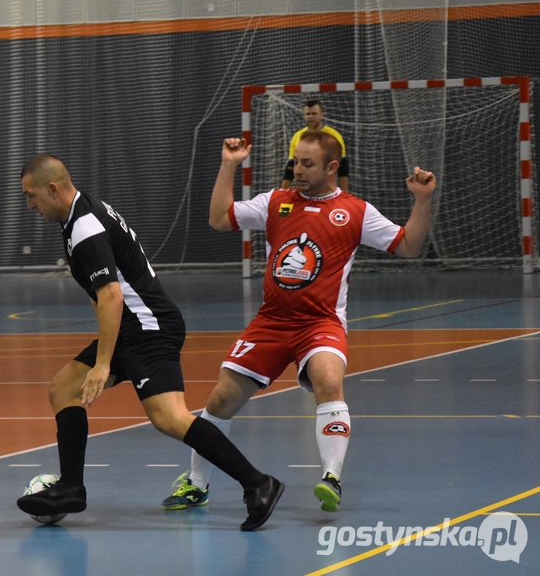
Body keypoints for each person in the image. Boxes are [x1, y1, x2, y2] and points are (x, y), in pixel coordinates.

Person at [161, 131, 434, 513]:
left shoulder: (355, 211)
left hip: (320, 323)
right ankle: (196, 483)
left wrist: (422, 200)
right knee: (220, 400)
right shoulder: (276, 202)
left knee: (328, 381)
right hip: (271, 322)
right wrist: (228, 165)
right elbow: (219, 218)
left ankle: (331, 478)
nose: (298, 170)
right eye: (295, 162)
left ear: (332, 167)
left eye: (307, 163)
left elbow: (408, 246)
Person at [16, 154, 284, 531]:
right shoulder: (79, 214)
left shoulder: (84, 226)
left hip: (147, 326)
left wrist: (104, 364)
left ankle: (259, 484)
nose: (29, 205)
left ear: (53, 189)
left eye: (31, 196)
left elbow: (111, 295)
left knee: (169, 418)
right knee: (64, 388)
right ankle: (71, 488)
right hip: (132, 327)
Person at [281, 100, 349, 192]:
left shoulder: (333, 136)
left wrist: (345, 193)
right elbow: (290, 166)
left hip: (326, 190)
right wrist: (283, 191)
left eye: (314, 114)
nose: (310, 117)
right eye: (307, 114)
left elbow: (342, 166)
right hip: (304, 189)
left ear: (322, 115)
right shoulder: (297, 136)